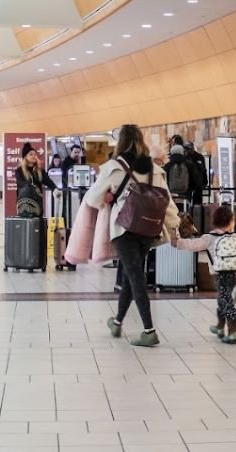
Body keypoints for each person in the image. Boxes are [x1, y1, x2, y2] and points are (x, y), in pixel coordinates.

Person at [85, 124, 181, 347]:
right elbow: (167, 202)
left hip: (124, 229)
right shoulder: (154, 169)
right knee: (131, 274)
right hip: (148, 229)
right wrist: (175, 225)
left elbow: (92, 199)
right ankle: (117, 322)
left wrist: (108, 196)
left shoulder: (113, 167)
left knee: (136, 277)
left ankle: (149, 331)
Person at [172, 205, 236, 344]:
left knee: (225, 300)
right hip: (235, 274)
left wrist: (176, 240)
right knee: (224, 298)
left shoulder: (208, 238)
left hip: (218, 275)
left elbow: (191, 245)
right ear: (231, 221)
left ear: (214, 221)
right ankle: (220, 327)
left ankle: (232, 331)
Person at [16, 143, 57, 217]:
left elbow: (47, 181)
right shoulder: (19, 171)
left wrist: (54, 189)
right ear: (25, 157)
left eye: (35, 154)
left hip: (36, 203)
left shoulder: (40, 171)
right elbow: (20, 183)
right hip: (24, 203)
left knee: (37, 223)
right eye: (31, 154)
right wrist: (31, 187)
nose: (34, 156)